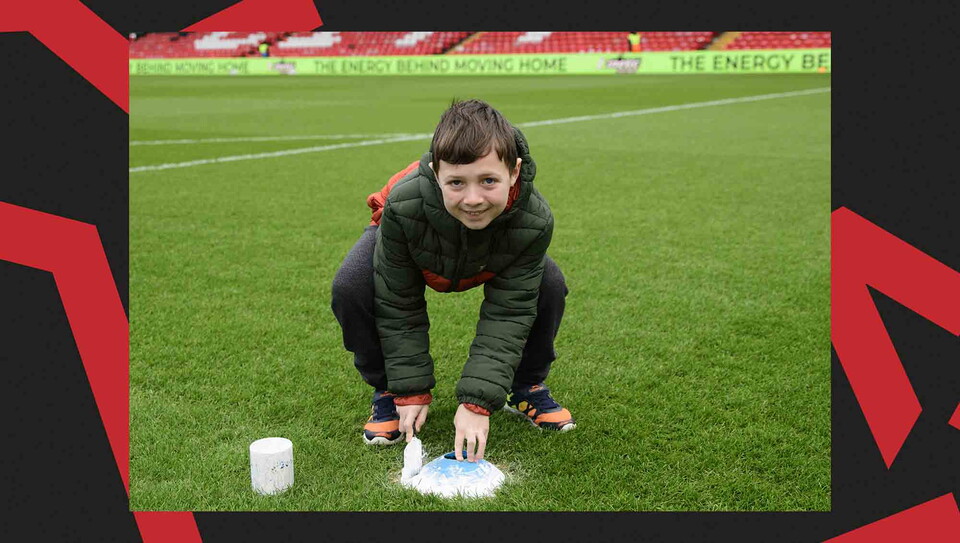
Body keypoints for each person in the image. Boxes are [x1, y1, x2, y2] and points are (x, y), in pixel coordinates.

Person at [331, 99, 575, 463]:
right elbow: (399, 300)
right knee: (352, 285)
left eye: (488, 180)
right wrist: (409, 390)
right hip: (416, 246)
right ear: (435, 172)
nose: (473, 198)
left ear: (514, 172)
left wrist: (478, 402)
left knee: (549, 284)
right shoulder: (404, 204)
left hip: (488, 255)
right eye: (456, 182)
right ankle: (387, 392)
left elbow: (509, 311)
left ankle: (526, 385)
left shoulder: (534, 220)